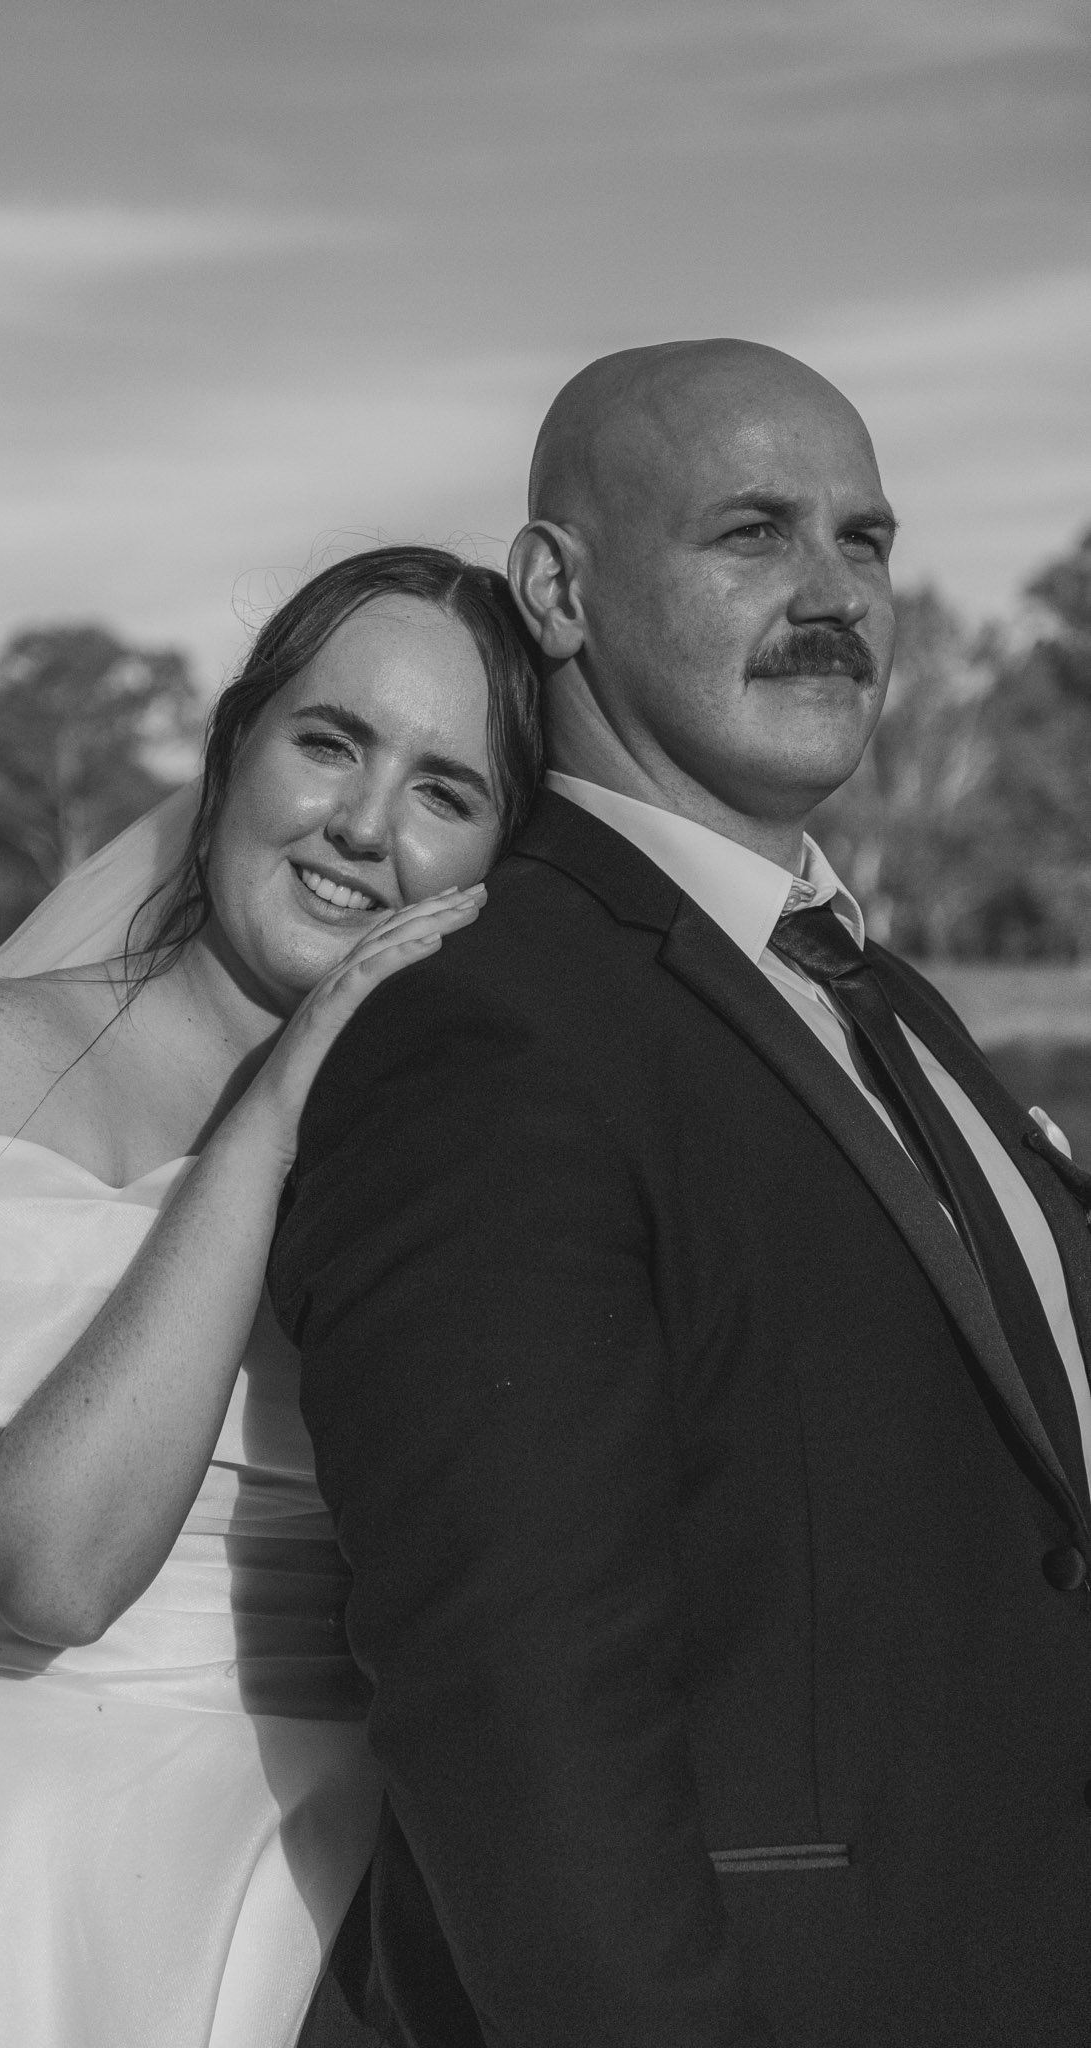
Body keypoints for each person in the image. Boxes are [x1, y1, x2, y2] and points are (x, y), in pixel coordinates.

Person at [273, 344, 1091, 2048]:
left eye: (863, 542)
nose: (833, 596)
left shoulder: (877, 994)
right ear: (557, 591)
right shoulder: (488, 1027)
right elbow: (514, 1702)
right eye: (750, 535)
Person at [0, 544, 543, 2048]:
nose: (364, 827)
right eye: (330, 741)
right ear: (234, 749)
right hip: (4, 1860)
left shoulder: (471, 1145)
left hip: (345, 1893)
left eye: (446, 790)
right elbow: (52, 1573)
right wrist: (269, 1112)